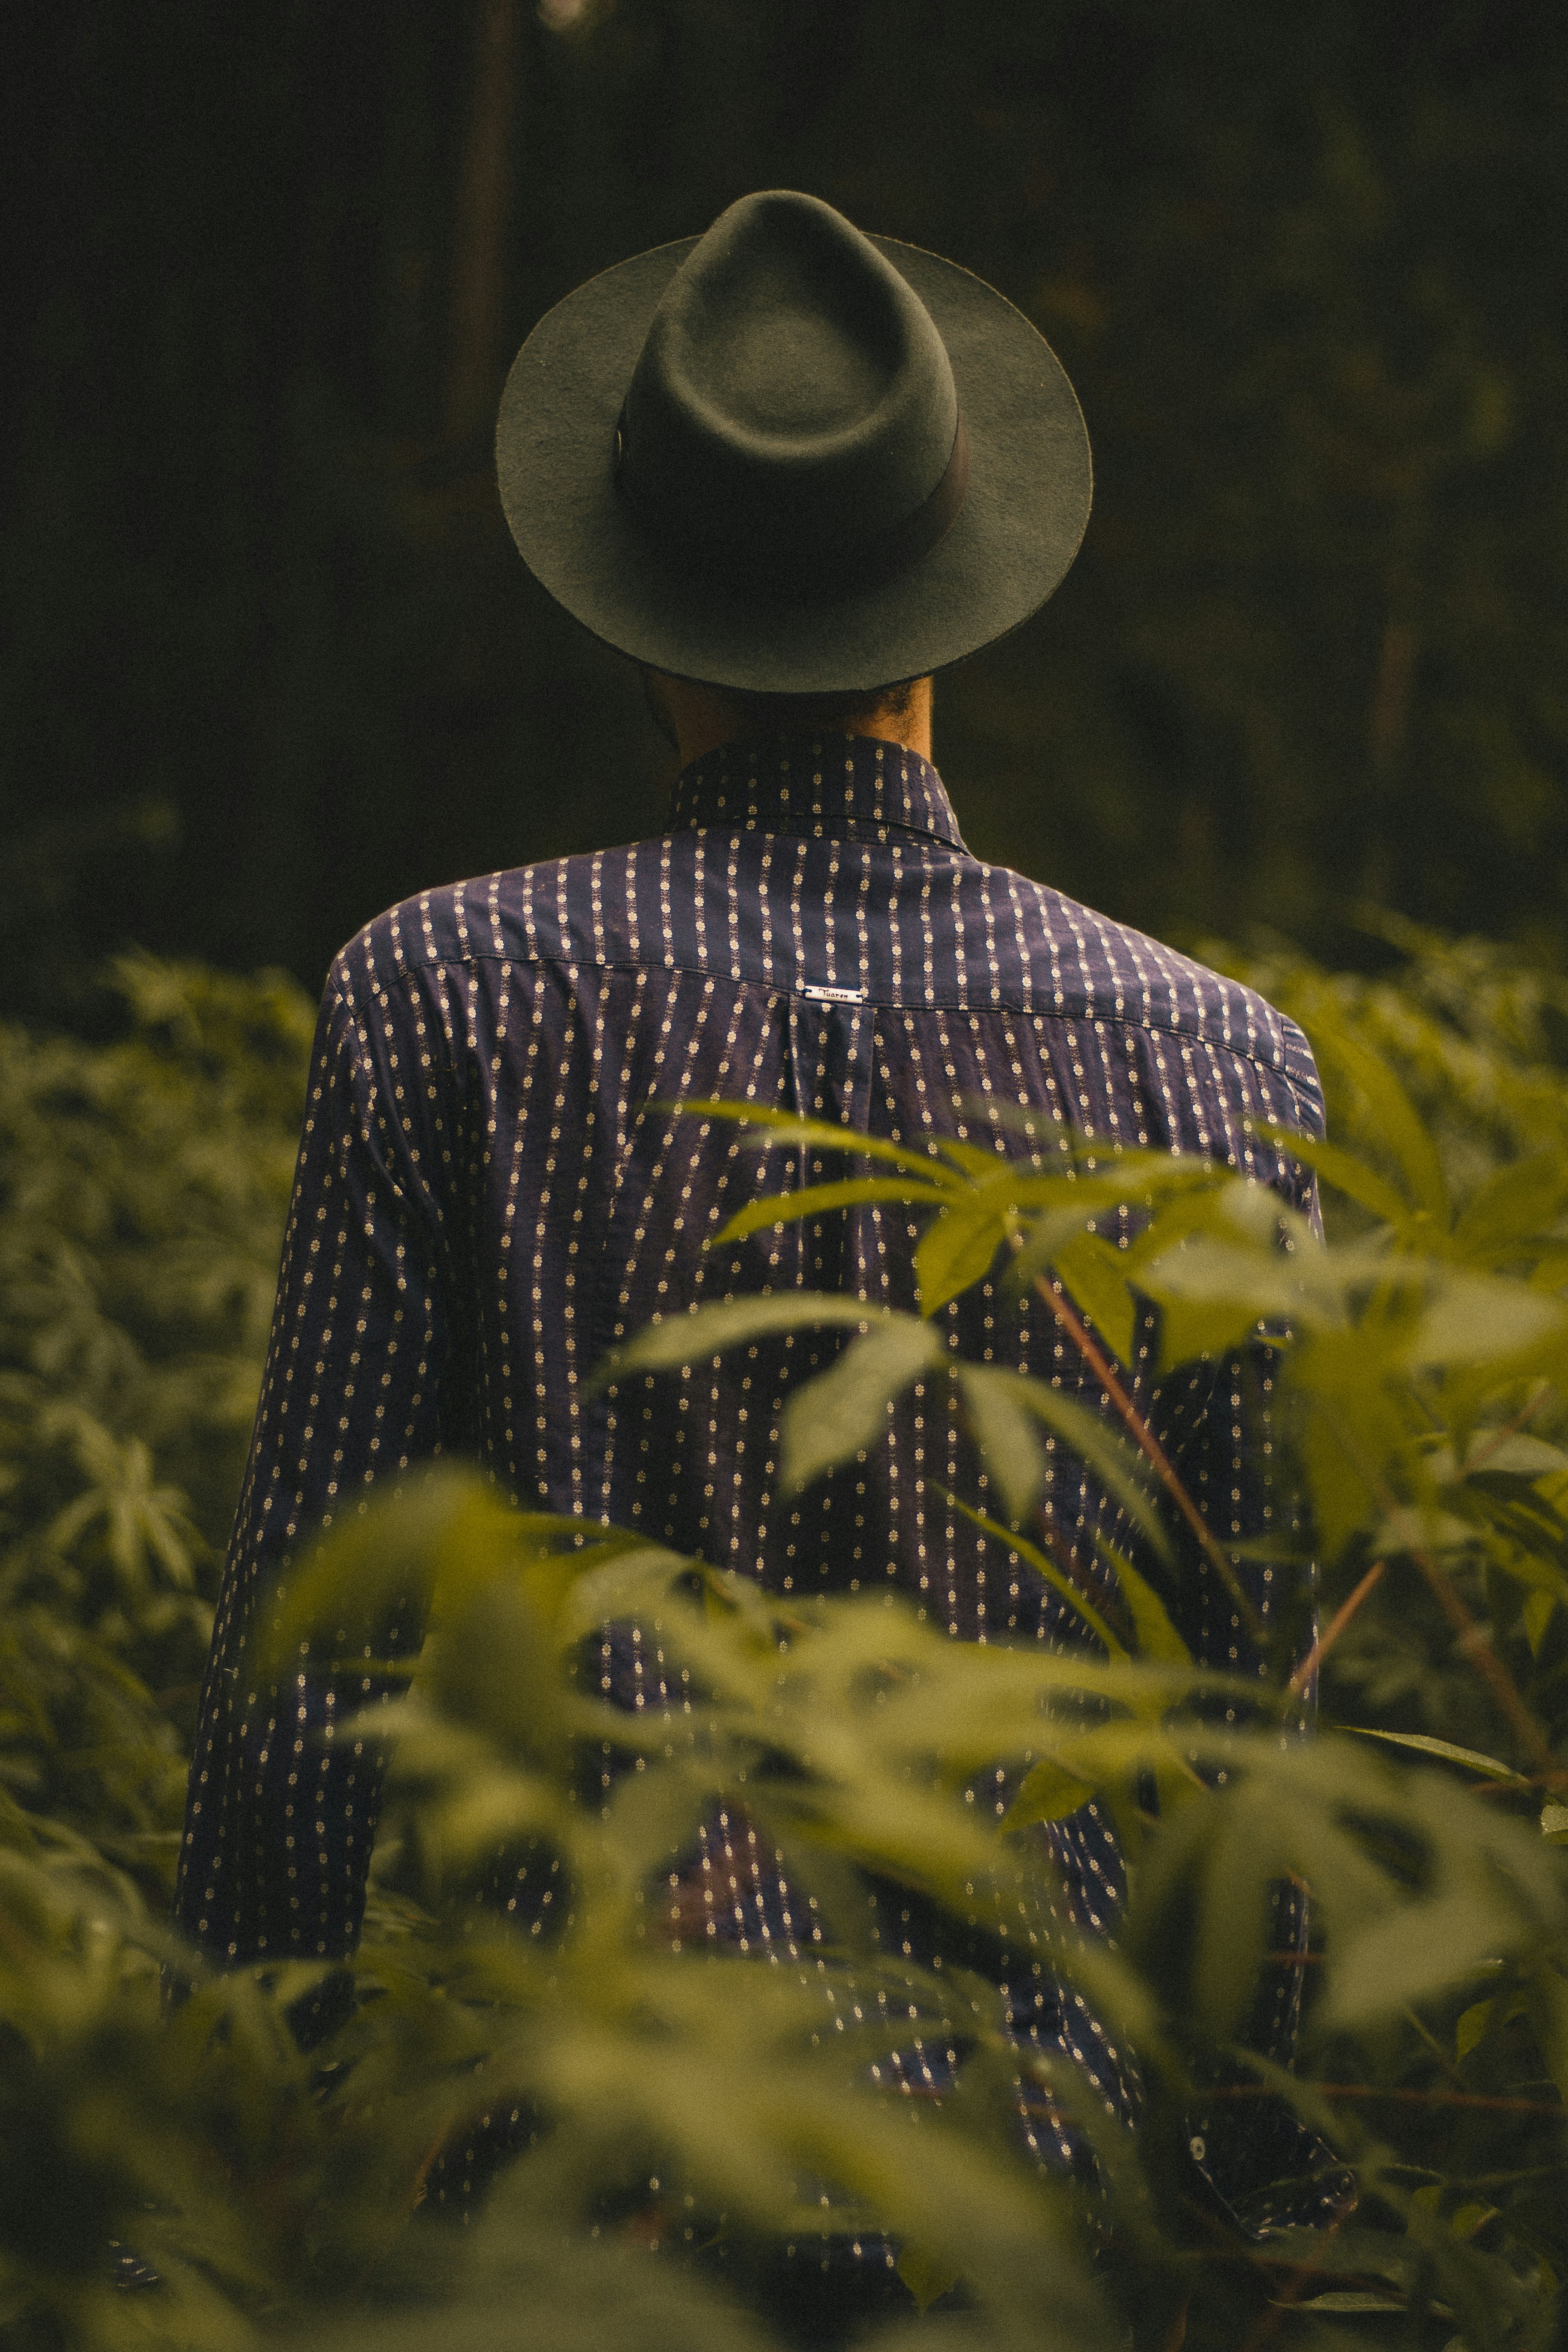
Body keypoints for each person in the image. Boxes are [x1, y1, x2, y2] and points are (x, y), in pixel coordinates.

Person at [175, 189, 1333, 2314]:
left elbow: (311, 1670)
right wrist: (1243, 2222)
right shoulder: (1224, 1068)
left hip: (568, 2207)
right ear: (953, 593)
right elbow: (1246, 1743)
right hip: (1034, 2207)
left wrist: (266, 2162)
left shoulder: (441, 996)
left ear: (631, 606)